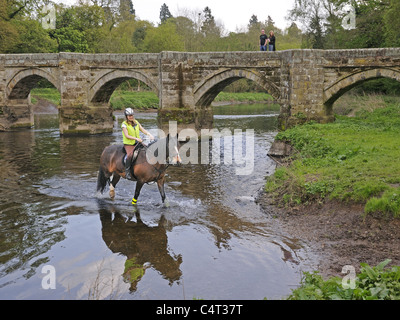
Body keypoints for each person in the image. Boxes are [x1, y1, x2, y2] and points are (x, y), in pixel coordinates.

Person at [122, 108, 154, 180]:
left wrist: (149, 134)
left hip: (138, 143)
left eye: (132, 115)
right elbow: (127, 135)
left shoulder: (136, 122)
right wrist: (136, 138)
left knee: (149, 151)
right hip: (129, 144)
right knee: (130, 156)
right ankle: (127, 172)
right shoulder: (124, 124)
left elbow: (143, 130)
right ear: (126, 116)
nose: (131, 117)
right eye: (129, 116)